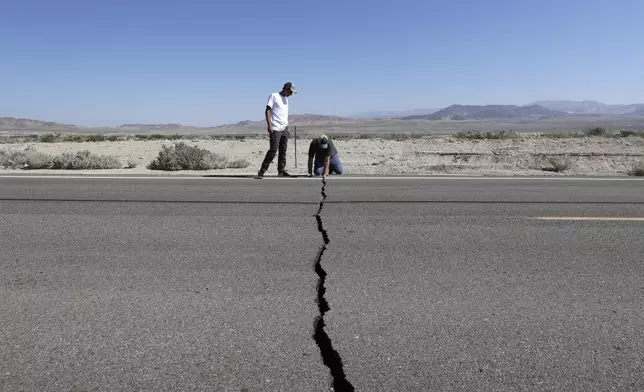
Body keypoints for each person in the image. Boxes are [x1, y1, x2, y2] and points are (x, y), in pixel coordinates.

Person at [256, 82, 296, 179]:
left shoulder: (286, 99)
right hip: (275, 128)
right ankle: (262, 171)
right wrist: (269, 125)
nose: (291, 94)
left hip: (284, 129)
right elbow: (267, 110)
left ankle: (281, 171)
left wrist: (287, 128)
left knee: (283, 150)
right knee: (273, 150)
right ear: (286, 89)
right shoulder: (274, 96)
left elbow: (283, 115)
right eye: (290, 92)